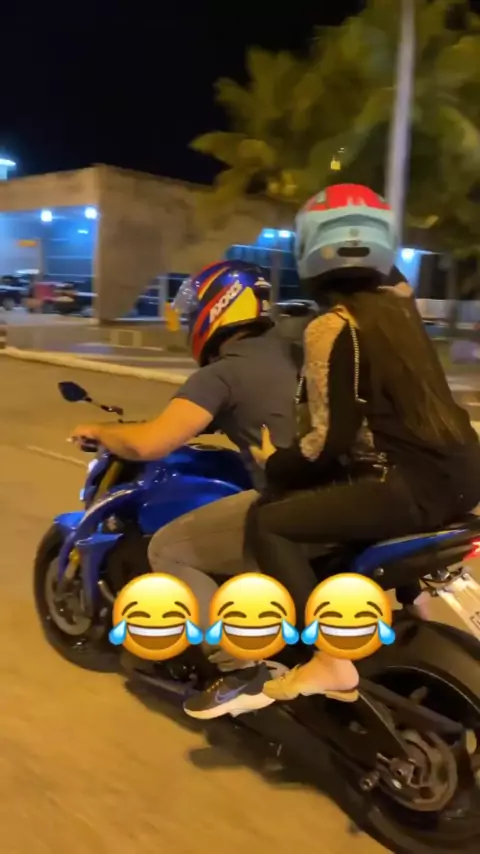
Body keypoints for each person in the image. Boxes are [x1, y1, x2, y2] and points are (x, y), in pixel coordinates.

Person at [185, 183, 480, 719]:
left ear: (309, 252)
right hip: (463, 476)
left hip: (408, 487)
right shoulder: (401, 315)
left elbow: (328, 441)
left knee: (272, 522)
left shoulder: (333, 327)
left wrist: (277, 461)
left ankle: (326, 658)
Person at [69, 260, 299, 687]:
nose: (190, 320)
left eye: (193, 310)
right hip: (342, 492)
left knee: (169, 548)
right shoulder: (288, 350)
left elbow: (148, 444)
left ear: (219, 306)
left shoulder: (223, 373)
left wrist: (100, 431)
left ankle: (238, 668)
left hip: (288, 504)